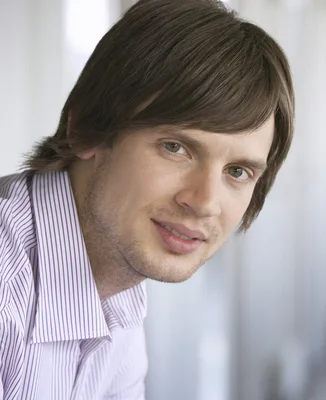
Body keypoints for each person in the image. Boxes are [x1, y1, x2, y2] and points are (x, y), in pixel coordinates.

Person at [0, 0, 294, 398]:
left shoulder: (117, 284)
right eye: (176, 148)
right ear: (87, 129)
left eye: (237, 172)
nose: (205, 201)